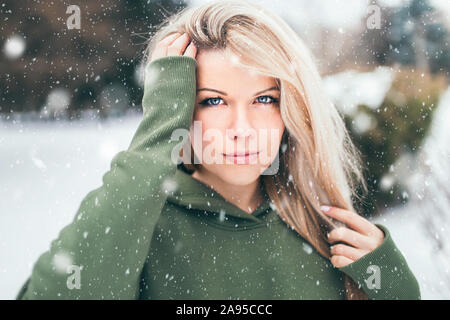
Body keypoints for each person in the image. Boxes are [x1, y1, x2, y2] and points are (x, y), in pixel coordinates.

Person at [16, 0, 420, 299]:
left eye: (264, 99)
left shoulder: (322, 230)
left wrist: (392, 284)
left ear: (293, 110)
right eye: (213, 101)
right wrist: (158, 133)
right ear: (177, 106)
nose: (242, 131)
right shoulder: (138, 224)